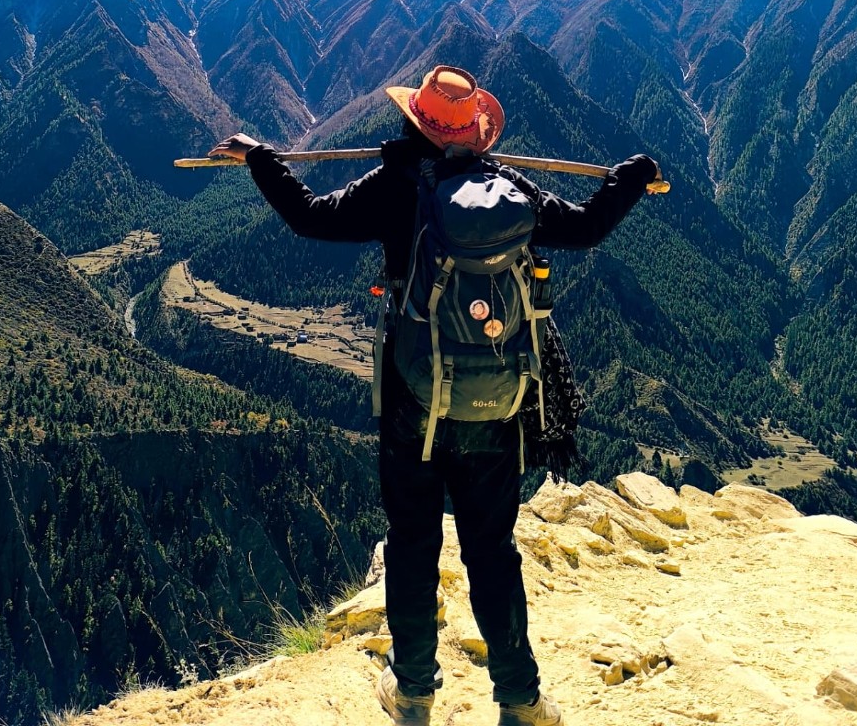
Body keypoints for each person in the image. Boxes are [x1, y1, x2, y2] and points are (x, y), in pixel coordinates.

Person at [209, 65, 660, 726]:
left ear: (413, 123)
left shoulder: (396, 185)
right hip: (498, 409)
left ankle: (414, 694)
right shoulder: (510, 189)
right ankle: (520, 698)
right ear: (475, 131)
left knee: (413, 544)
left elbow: (310, 217)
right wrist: (629, 177)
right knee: (492, 552)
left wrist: (262, 160)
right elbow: (588, 227)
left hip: (412, 405)